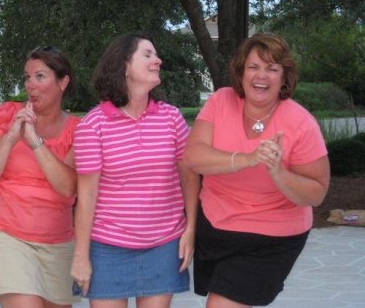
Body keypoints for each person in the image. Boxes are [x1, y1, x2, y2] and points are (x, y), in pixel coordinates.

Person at [184, 33, 330, 308]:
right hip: (217, 226)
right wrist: (248, 159)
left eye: (272, 68)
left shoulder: (301, 123)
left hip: (271, 236)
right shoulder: (220, 101)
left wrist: (279, 173)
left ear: (284, 77)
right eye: (253, 67)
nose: (261, 75)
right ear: (241, 73)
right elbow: (193, 156)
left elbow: (316, 193)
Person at [70, 31, 200, 308]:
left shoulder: (171, 118)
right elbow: (87, 196)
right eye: (148, 54)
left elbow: (189, 177)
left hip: (164, 244)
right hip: (108, 247)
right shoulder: (93, 126)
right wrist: (81, 256)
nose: (158, 60)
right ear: (124, 66)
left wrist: (190, 229)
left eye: (156, 55)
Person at [0, 46, 80, 308]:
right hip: (2, 229)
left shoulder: (77, 130)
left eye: (40, 76)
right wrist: (10, 138)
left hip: (55, 238)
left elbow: (68, 188)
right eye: (27, 77)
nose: (30, 85)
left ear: (63, 82)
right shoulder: (5, 115)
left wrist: (35, 143)